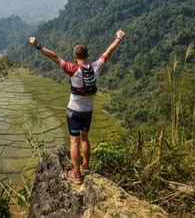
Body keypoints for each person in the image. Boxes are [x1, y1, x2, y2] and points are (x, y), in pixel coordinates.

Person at [29, 30, 125, 184]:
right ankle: (85, 165)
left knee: (74, 141)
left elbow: (53, 56)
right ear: (87, 56)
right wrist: (118, 39)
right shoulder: (95, 67)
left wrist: (37, 46)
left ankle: (77, 175)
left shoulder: (72, 69)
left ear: (75, 57)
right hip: (88, 112)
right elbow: (108, 52)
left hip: (73, 111)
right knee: (85, 139)